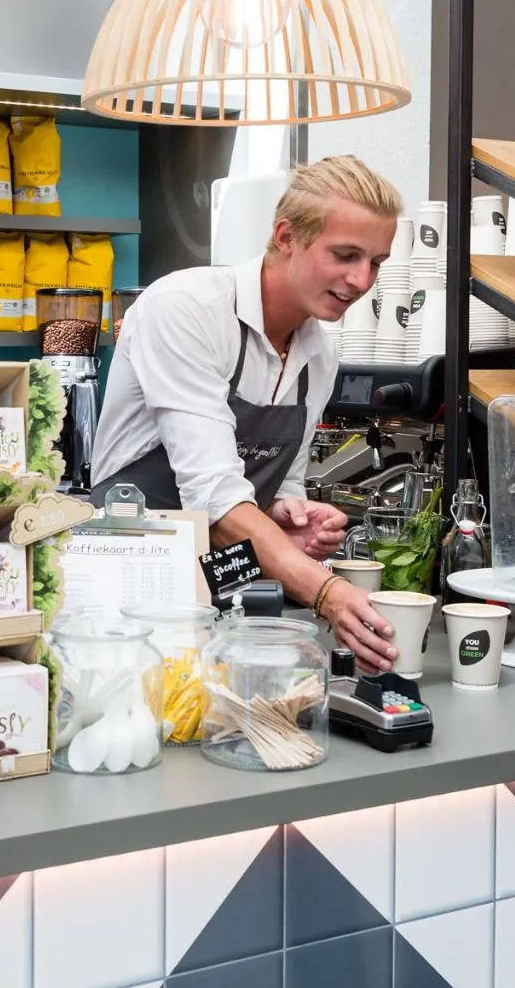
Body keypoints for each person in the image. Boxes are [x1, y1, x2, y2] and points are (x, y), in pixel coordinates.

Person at [89, 156, 402, 670]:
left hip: (221, 594)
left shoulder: (319, 356)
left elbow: (279, 483)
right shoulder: (187, 309)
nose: (361, 279)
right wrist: (324, 590)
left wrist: (290, 518)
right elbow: (214, 493)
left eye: (377, 262)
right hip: (127, 602)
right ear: (286, 236)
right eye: (345, 255)